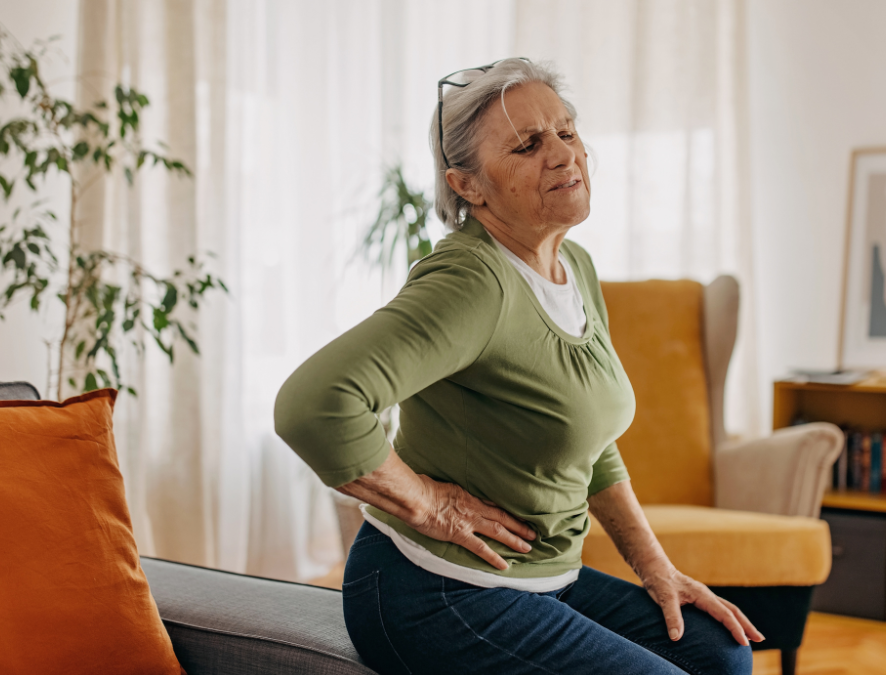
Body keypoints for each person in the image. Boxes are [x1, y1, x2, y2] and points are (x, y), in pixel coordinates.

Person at [275, 57, 759, 675]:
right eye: (528, 145)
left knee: (721, 654)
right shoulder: (471, 281)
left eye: (566, 131)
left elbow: (591, 444)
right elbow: (314, 404)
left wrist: (655, 567)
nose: (562, 155)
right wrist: (429, 505)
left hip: (538, 577)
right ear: (468, 186)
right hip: (437, 589)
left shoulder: (572, 266)